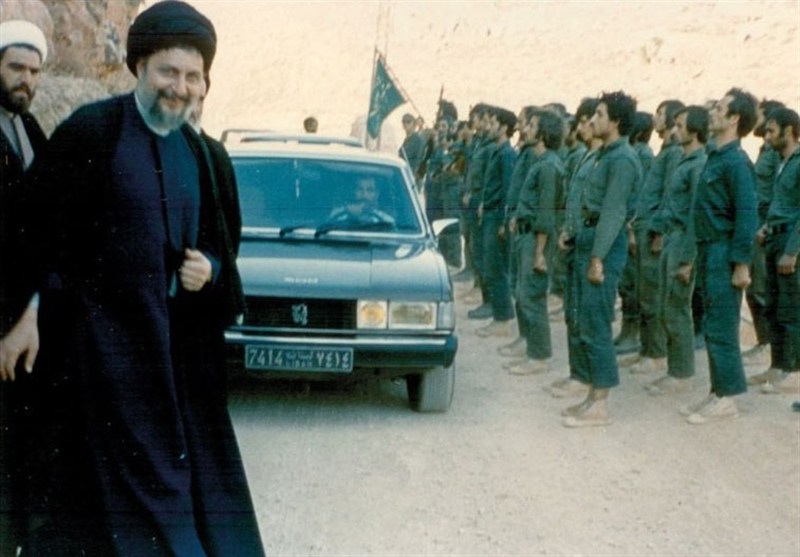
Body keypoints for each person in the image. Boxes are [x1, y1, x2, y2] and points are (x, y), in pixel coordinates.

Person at [17, 2, 265, 554]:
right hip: (98, 367)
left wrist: (211, 269)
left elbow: (223, 253)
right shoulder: (92, 133)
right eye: (168, 71)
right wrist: (23, 312)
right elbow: (30, 231)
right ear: (139, 67)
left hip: (175, 369)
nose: (180, 88)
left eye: (192, 76)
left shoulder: (202, 155)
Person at [562, 91, 641, 427]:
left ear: (616, 122)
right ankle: (592, 396)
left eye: (599, 115)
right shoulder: (605, 156)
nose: (593, 120)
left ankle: (601, 404)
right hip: (591, 238)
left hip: (604, 245)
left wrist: (597, 258)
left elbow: (613, 211)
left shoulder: (622, 160)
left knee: (596, 322)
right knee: (586, 320)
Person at [0, 19, 49, 557]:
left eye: (34, 71)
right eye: (16, 67)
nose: (26, 80)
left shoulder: (29, 127)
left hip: (24, 316)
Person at [681, 88, 758, 425]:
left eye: (720, 109)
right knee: (712, 324)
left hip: (724, 251)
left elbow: (746, 216)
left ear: (734, 118)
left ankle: (727, 398)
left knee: (723, 326)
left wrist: (741, 264)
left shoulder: (737, 162)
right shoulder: (717, 156)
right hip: (709, 248)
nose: (712, 112)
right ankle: (718, 391)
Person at [645, 106, 708, 395]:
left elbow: (696, 216)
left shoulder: (698, 164)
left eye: (681, 125)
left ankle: (682, 375)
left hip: (683, 240)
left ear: (694, 130)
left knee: (677, 308)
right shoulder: (684, 161)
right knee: (666, 306)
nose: (674, 130)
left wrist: (687, 260)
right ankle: (674, 370)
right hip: (671, 237)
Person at [546, 97, 602, 399]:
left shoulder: (599, 159)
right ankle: (577, 373)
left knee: (584, 316)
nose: (582, 126)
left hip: (586, 244)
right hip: (573, 242)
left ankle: (585, 377)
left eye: (586, 121)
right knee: (572, 312)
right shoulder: (586, 156)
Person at [624, 99, 684, 374]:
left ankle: (656, 353)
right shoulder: (666, 151)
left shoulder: (673, 154)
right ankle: (647, 349)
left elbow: (670, 195)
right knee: (643, 292)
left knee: (651, 294)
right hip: (646, 228)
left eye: (660, 114)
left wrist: (659, 231)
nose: (655, 119)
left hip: (654, 231)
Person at [505, 109, 565, 374]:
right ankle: (532, 349)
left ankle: (539, 357)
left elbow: (546, 214)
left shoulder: (549, 166)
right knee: (523, 293)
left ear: (543, 133)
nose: (525, 129)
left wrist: (540, 253)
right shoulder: (540, 162)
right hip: (526, 235)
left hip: (536, 239)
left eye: (531, 125)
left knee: (532, 296)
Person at [747, 107, 800, 396]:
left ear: (788, 131)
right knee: (774, 307)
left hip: (790, 242)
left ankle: (795, 371)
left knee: (791, 309)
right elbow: (782, 205)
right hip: (775, 238)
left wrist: (792, 251)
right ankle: (778, 366)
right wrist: (767, 228)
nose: (766, 137)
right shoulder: (784, 162)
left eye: (771, 131)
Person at [742, 98, 785, 362]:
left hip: (768, 223)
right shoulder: (764, 150)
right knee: (756, 287)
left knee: (761, 288)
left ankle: (768, 345)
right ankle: (764, 342)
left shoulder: (776, 153)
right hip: (758, 221)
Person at [475, 106, 517, 338]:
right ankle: (500, 316)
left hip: (497, 217)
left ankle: (503, 320)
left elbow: (509, 190)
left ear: (503, 128)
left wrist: (503, 222)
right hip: (490, 214)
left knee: (496, 268)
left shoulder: (507, 154)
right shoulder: (497, 151)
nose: (488, 127)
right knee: (491, 266)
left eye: (492, 123)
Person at [330, 175, 394, 224]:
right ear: (353, 192)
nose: (364, 195)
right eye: (359, 189)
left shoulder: (386, 221)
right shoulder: (337, 215)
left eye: (370, 190)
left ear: (376, 195)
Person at [398, 112, 426, 180]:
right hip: (407, 172)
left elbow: (405, 154)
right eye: (403, 121)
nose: (405, 124)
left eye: (408, 121)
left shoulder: (416, 139)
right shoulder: (408, 138)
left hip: (412, 174)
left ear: (414, 124)